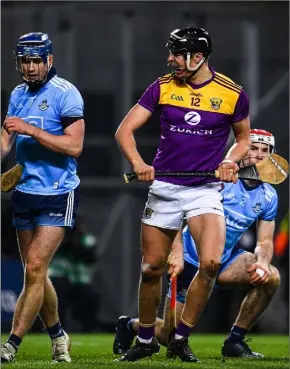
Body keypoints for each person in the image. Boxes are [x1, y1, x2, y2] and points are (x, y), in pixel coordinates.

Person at [115, 26, 251, 362]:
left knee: (211, 263)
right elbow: (125, 130)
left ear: (198, 57)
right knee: (152, 268)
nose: (170, 59)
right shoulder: (161, 87)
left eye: (177, 53)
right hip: (165, 188)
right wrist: (138, 162)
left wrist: (229, 160)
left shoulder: (232, 94)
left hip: (204, 190)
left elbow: (243, 140)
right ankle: (145, 339)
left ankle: (180, 337)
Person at [113, 129, 281, 360]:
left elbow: (264, 240)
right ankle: (131, 325)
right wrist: (177, 252)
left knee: (271, 276)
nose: (259, 155)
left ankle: (235, 341)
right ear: (240, 149)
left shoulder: (269, 196)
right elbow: (175, 215)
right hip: (191, 262)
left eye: (265, 151)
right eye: (253, 148)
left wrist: (262, 262)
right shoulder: (216, 181)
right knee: (169, 337)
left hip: (225, 261)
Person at [1, 32, 85, 363]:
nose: (31, 67)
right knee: (35, 272)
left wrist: (31, 129)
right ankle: (58, 336)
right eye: (25, 61)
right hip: (24, 192)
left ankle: (11, 343)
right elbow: (6, 141)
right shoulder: (18, 94)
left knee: (36, 265)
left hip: (57, 192)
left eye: (37, 61)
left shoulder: (66, 94)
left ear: (49, 60)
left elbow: (74, 146)